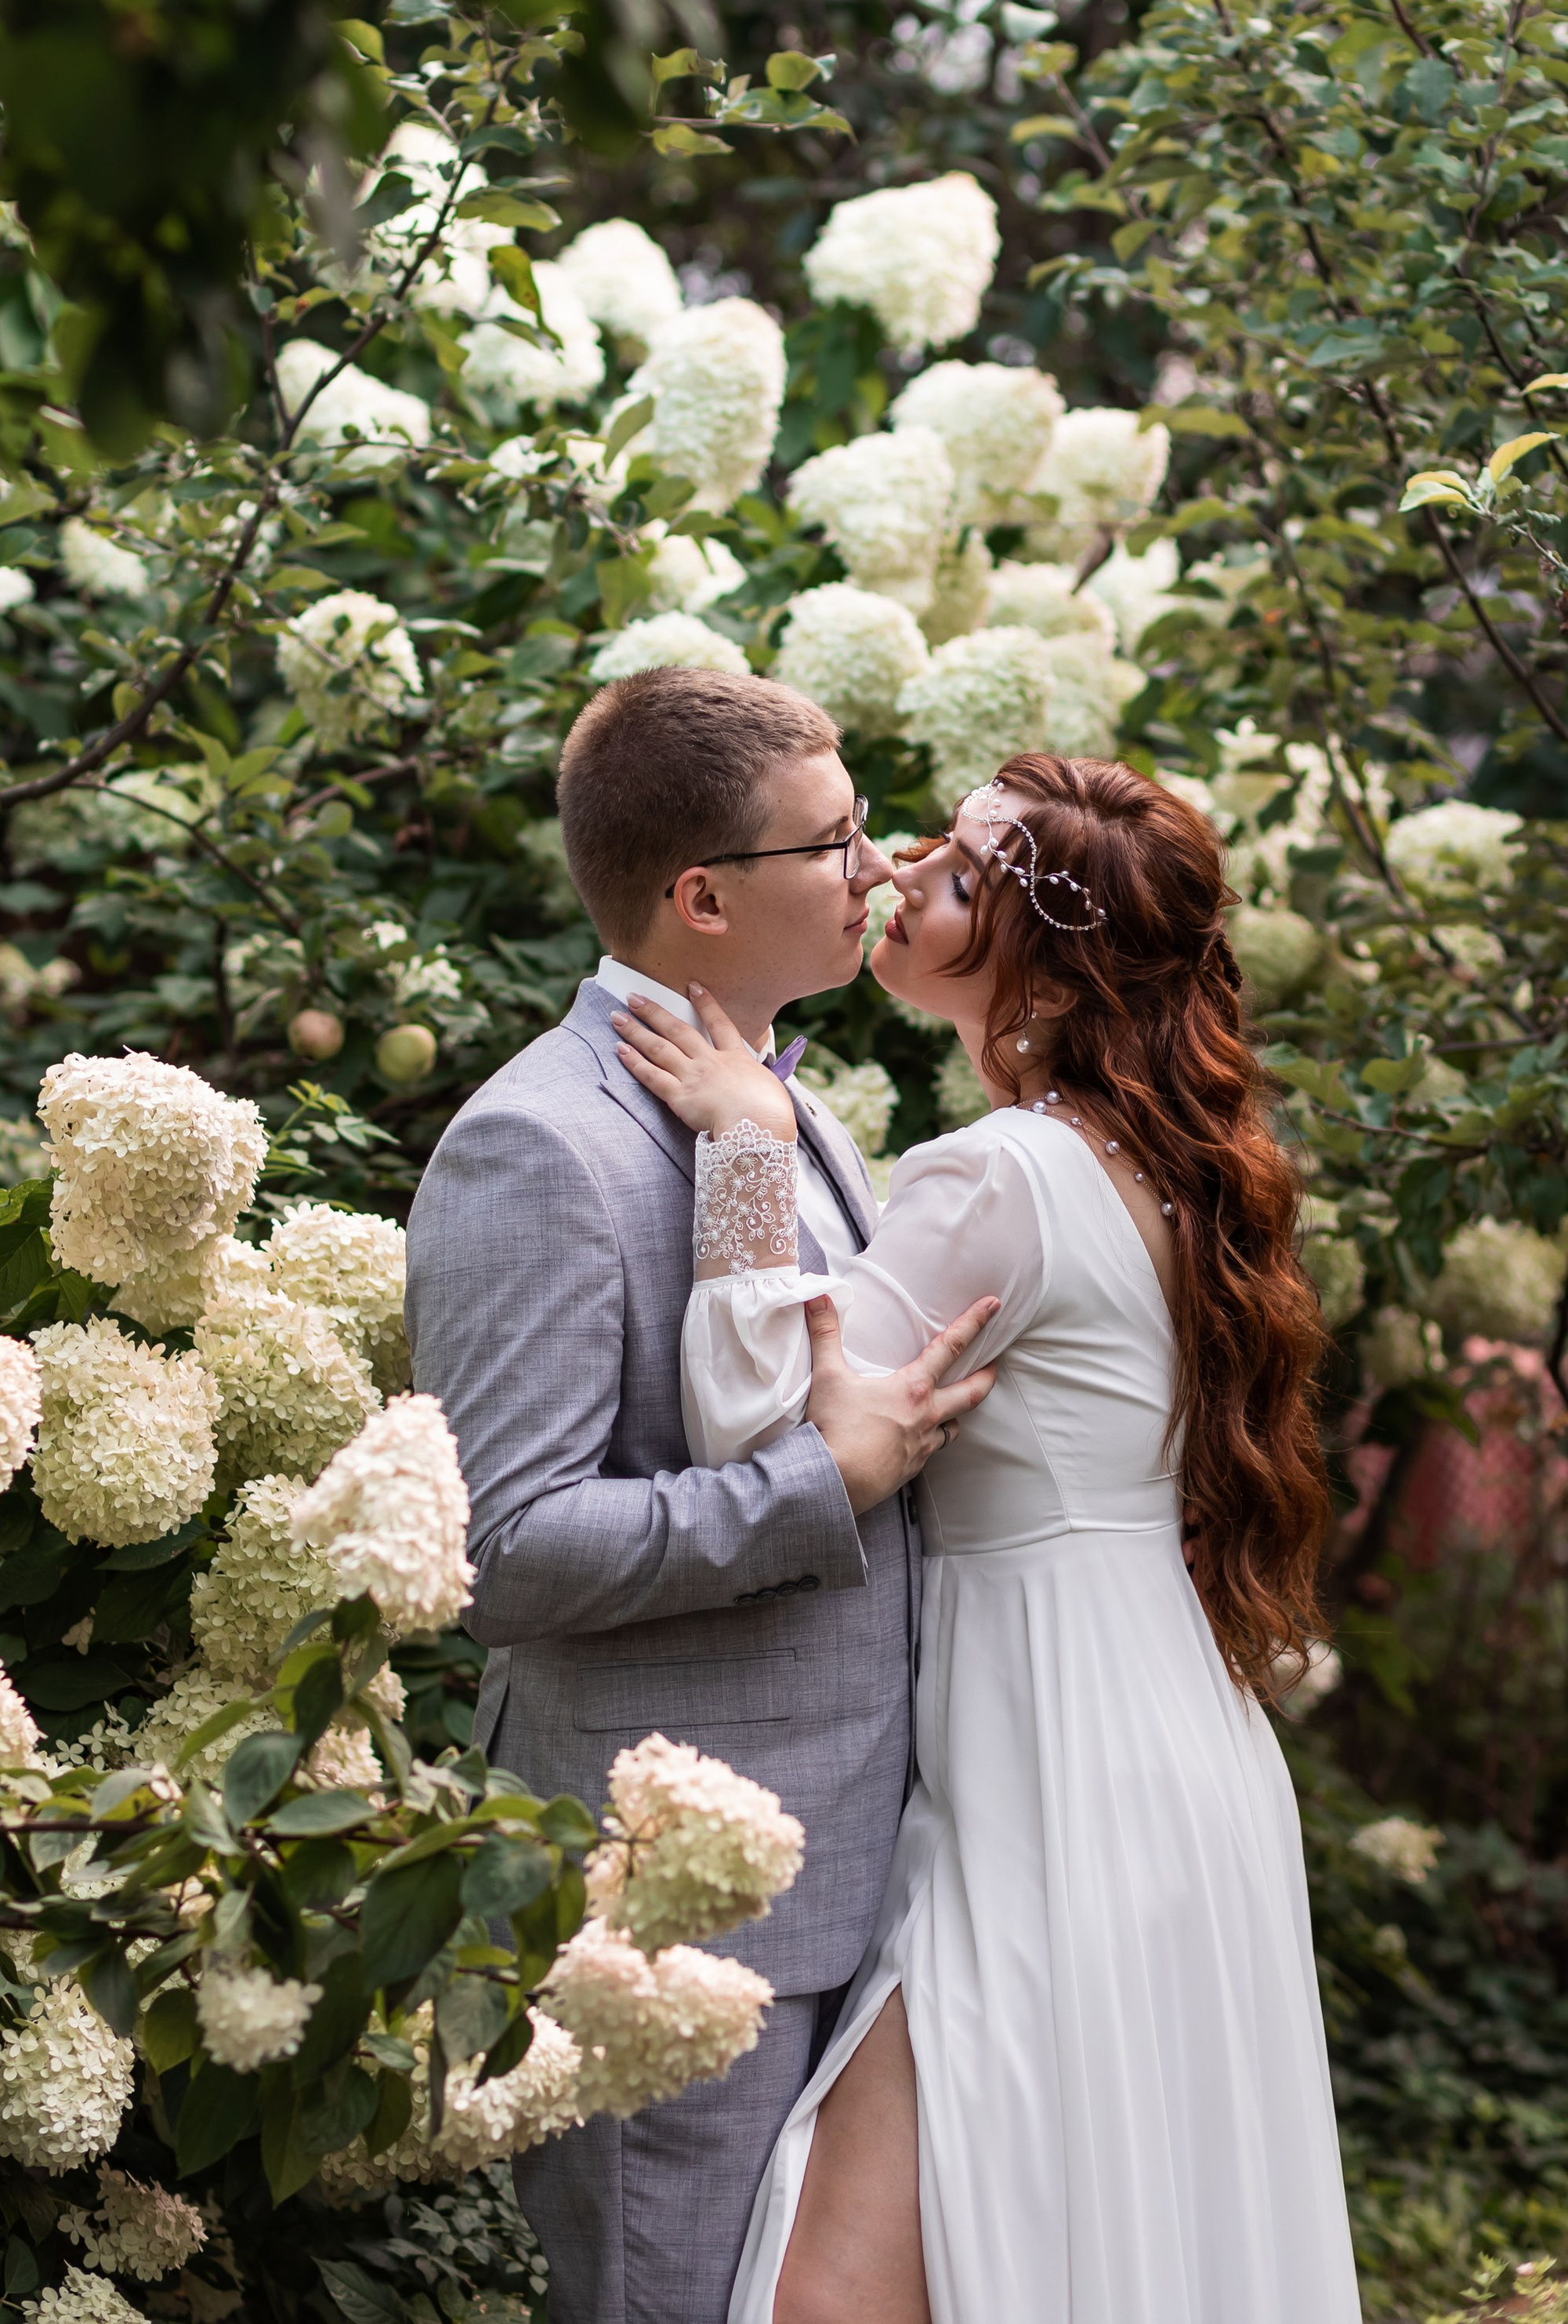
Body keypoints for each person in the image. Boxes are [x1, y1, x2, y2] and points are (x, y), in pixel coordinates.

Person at [613, 752, 1361, 2324]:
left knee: (843, 2288)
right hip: (1170, 1744)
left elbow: (762, 1434)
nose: (889, 870)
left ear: (1039, 962)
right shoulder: (1166, 1161)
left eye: (950, 874)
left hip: (1053, 1766)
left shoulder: (1000, 1173)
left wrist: (748, 1145)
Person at [404, 670, 998, 2324]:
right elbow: (503, 1551)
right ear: (703, 897)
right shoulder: (536, 1144)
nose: (876, 869)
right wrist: (830, 1480)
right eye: (836, 841)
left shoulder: (778, 1095)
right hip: (668, 1927)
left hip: (851, 1872)